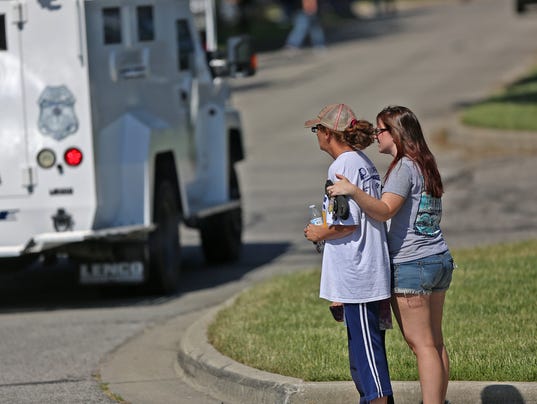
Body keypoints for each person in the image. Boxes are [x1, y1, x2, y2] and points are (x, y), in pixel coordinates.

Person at [327, 105, 455, 404]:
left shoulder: (402, 167)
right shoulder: (426, 163)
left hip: (413, 263)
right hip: (439, 258)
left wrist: (352, 190)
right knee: (434, 343)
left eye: (380, 130)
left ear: (395, 133)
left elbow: (384, 211)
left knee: (421, 344)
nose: (375, 135)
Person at [303, 103, 393, 403]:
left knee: (368, 359)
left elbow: (347, 225)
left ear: (329, 133)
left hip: (358, 273)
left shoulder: (342, 166)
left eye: (318, 129)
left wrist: (318, 232)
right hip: (363, 271)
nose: (316, 135)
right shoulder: (362, 161)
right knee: (363, 357)